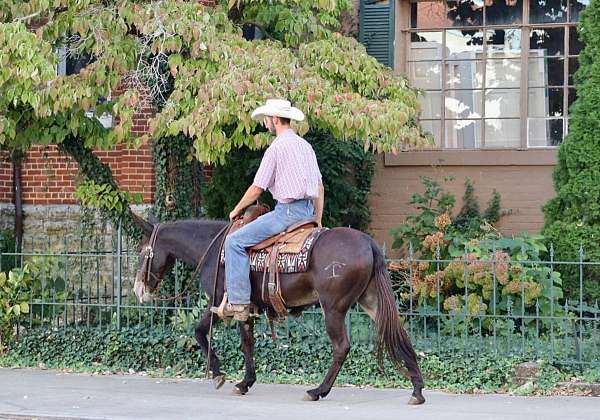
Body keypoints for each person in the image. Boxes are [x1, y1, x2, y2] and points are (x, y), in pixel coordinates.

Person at [212, 99, 325, 321]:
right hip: (307, 213)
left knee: (234, 242)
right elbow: (320, 188)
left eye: (267, 119)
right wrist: (317, 221)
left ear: (275, 119)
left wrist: (236, 210)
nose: (265, 124)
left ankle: (239, 303)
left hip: (286, 213)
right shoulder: (306, 146)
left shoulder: (276, 148)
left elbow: (257, 189)